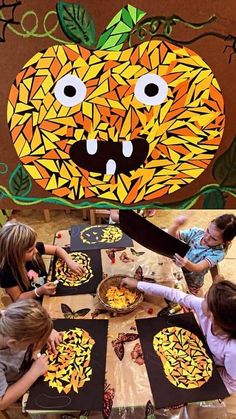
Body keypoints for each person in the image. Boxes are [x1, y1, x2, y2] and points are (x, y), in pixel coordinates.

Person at [121, 277, 236, 394]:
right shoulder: (203, 308)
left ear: (212, 315)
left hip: (212, 369)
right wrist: (138, 284)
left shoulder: (232, 350)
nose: (202, 298)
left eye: (206, 298)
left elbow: (233, 383)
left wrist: (206, 377)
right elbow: (173, 294)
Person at [0, 221, 85, 301]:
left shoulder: (32, 248)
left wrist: (69, 261)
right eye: (30, 250)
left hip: (46, 288)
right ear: (15, 253)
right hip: (34, 303)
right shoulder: (6, 272)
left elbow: (56, 249)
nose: (36, 251)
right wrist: (39, 291)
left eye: (34, 246)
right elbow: (18, 299)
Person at [0, 299, 60, 410]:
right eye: (31, 342)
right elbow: (2, 403)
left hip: (29, 362)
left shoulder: (7, 316)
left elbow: (25, 316)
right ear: (13, 343)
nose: (35, 343)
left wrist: (45, 329)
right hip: (15, 384)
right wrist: (34, 373)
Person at [168, 214, 236, 295]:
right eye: (207, 231)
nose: (206, 238)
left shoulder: (218, 253)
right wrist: (176, 225)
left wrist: (186, 263)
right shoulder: (196, 232)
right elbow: (171, 238)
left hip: (191, 283)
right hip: (177, 272)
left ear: (225, 241)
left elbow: (198, 268)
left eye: (213, 238)